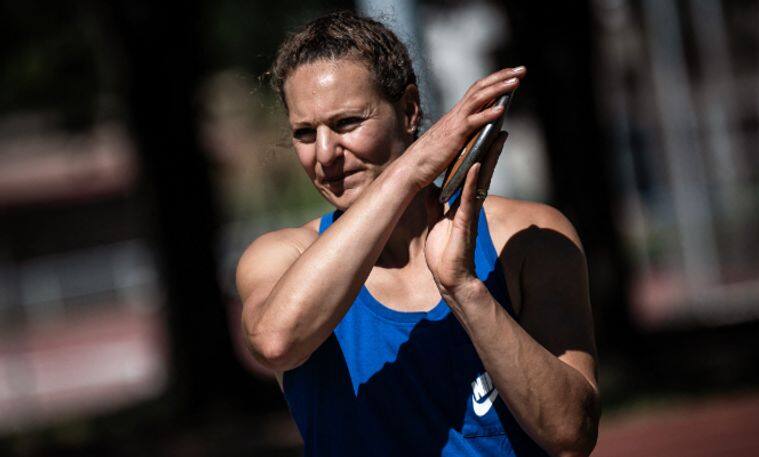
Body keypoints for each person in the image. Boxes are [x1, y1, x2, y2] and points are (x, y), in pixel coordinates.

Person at [237, 11, 599, 457]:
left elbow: (571, 434)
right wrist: (412, 168)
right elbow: (276, 343)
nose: (325, 154)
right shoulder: (282, 257)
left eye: (348, 123)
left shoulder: (526, 237)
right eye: (305, 133)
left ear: (409, 110)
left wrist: (465, 289)